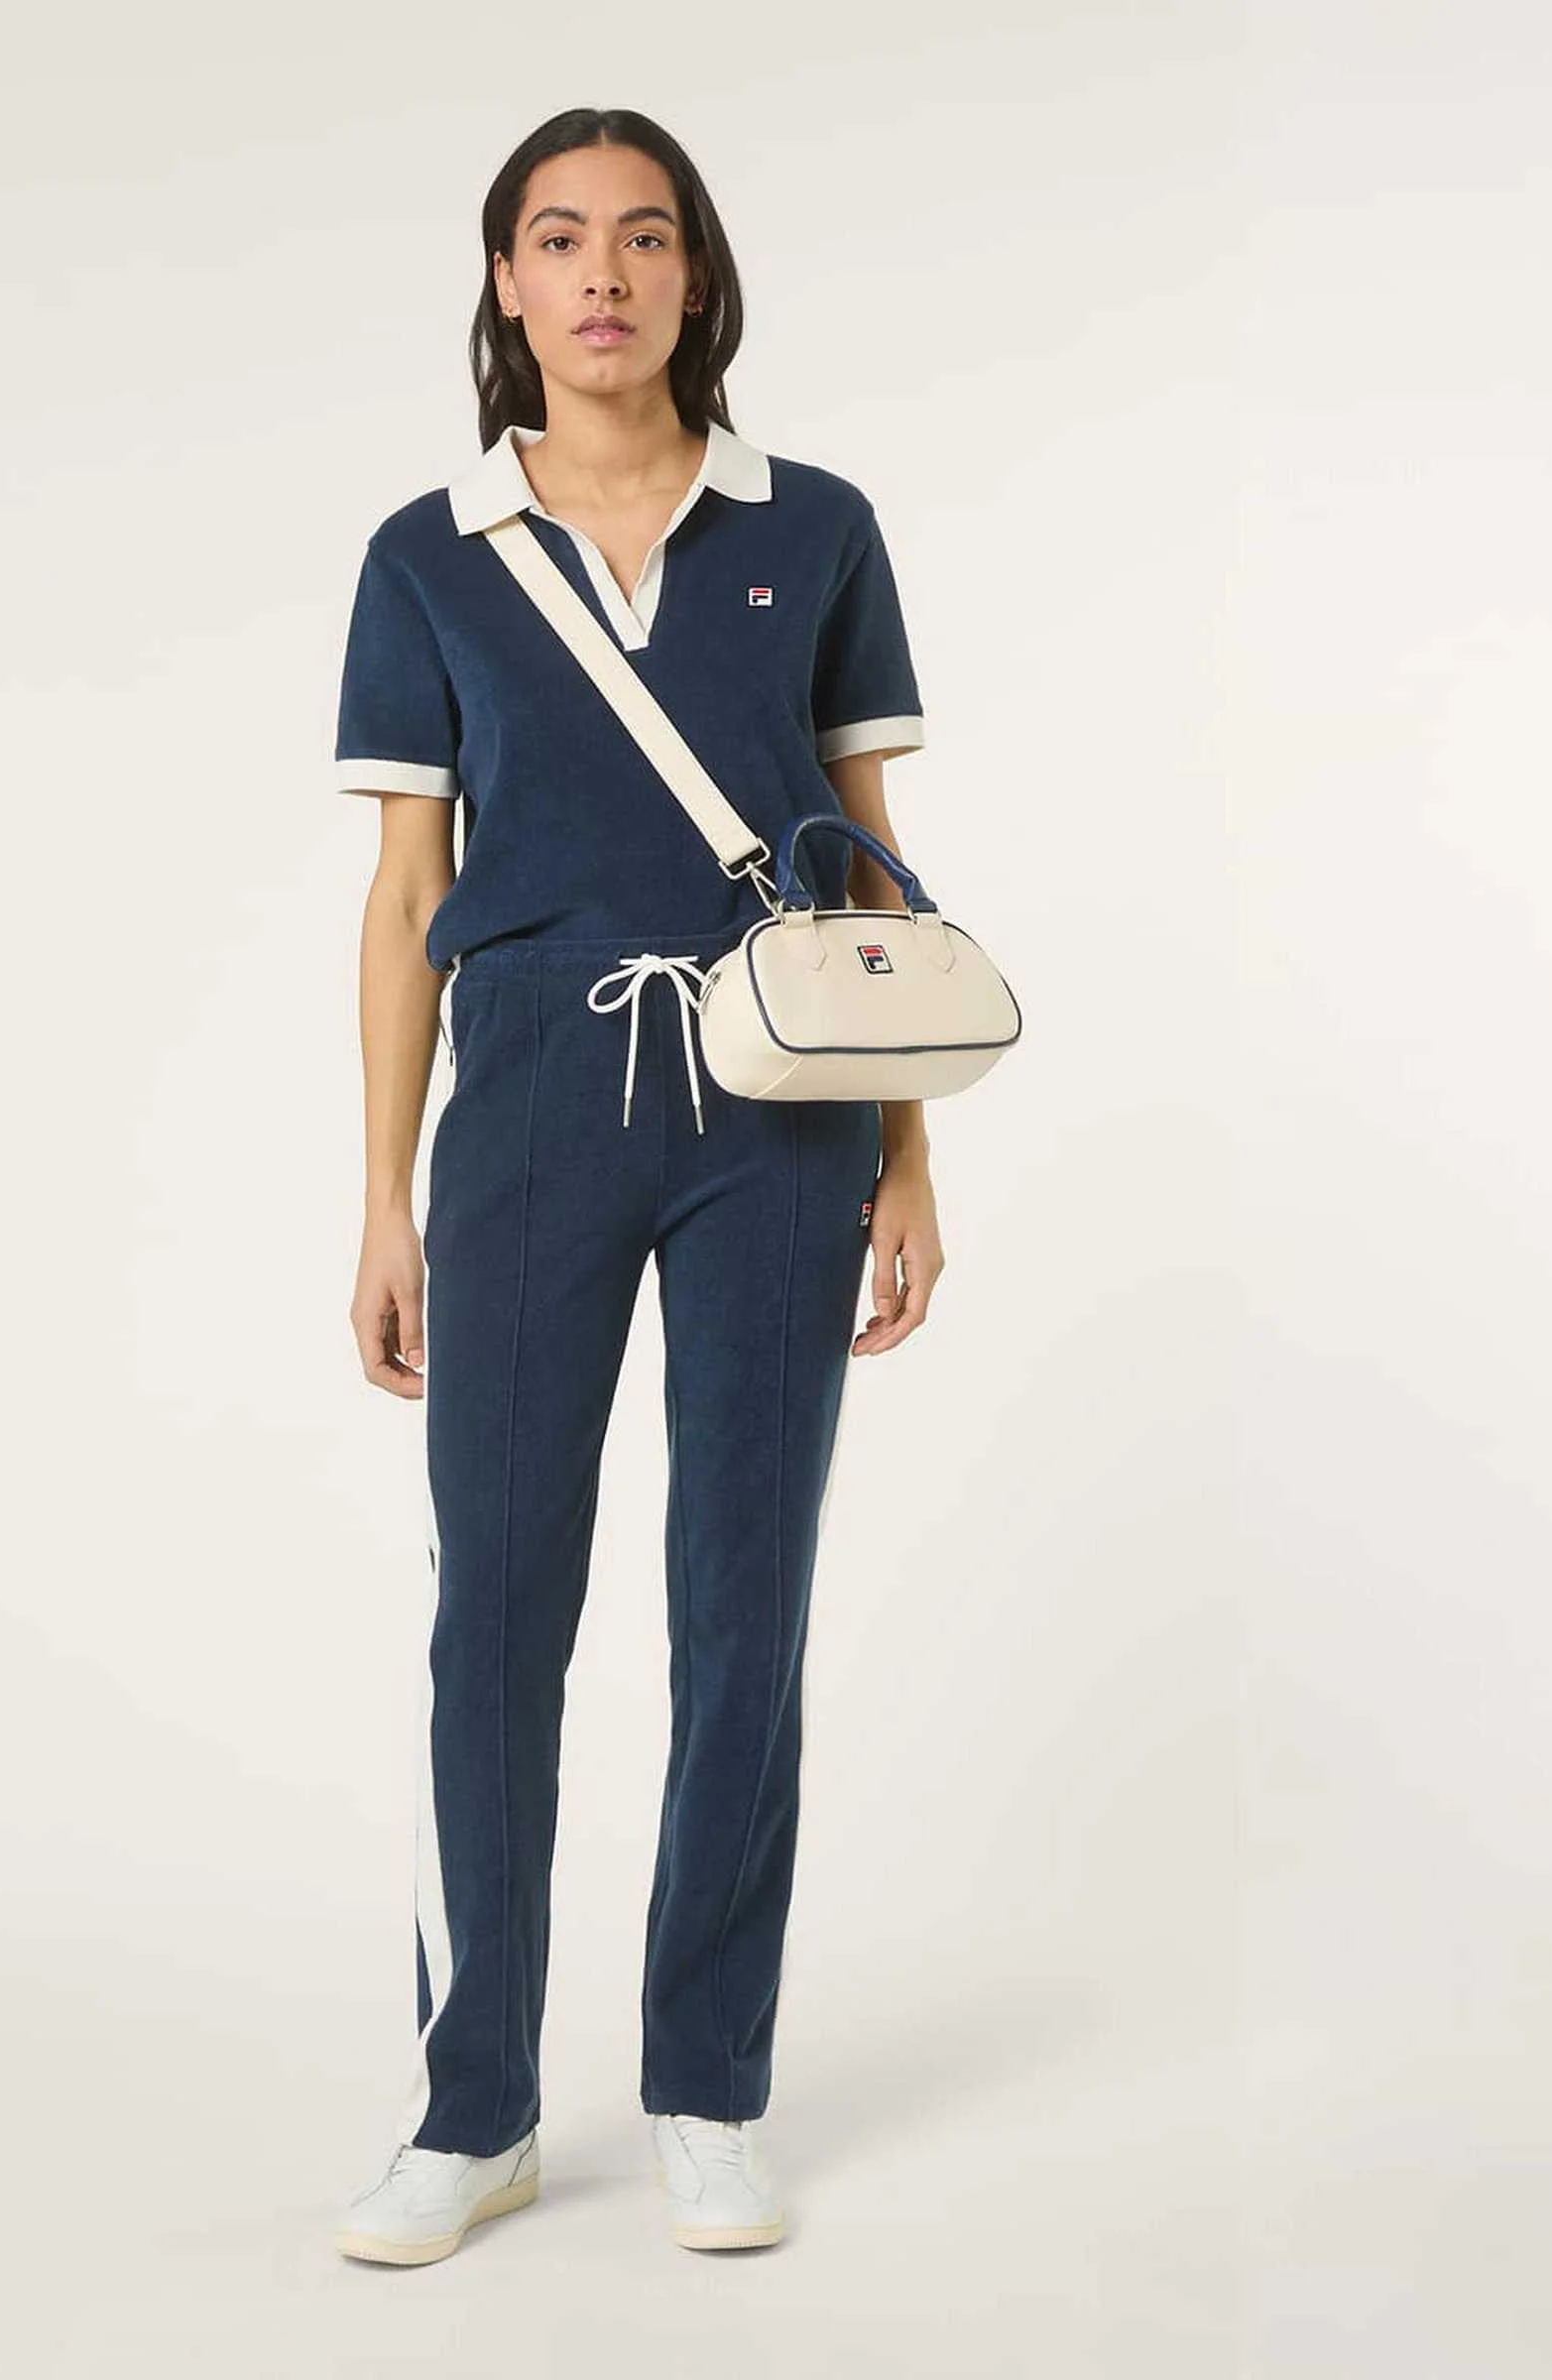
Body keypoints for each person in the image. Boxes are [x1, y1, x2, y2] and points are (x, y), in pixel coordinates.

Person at [330, 106, 946, 2265]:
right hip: (522, 1115)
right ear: (505, 282)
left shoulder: (818, 527)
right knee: (496, 1611)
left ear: (699, 274)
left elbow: (872, 868)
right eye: (559, 237)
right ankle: (471, 2109)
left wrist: (909, 1154)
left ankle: (709, 2089)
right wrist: (383, 1198)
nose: (603, 273)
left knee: (743, 1607)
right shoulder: (431, 552)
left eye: (647, 235)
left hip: (780, 1118)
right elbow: (404, 892)